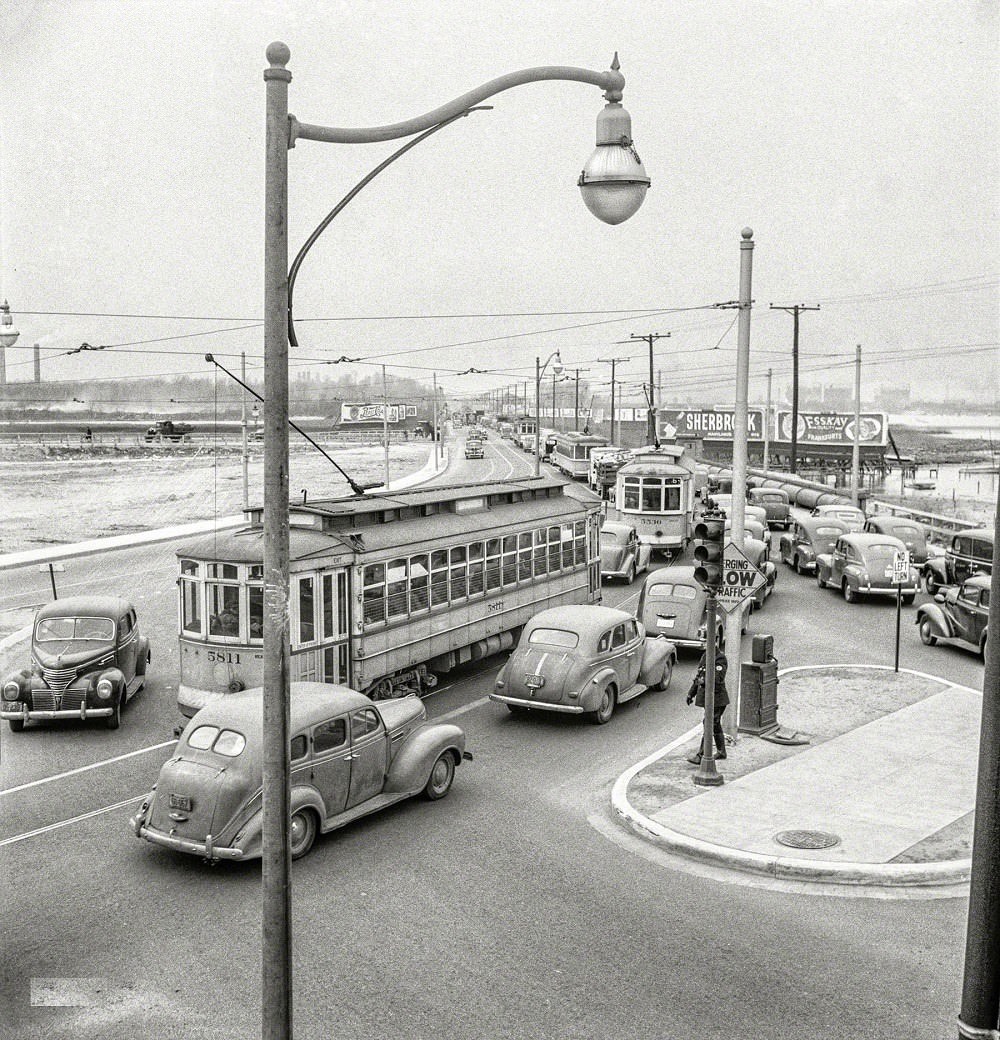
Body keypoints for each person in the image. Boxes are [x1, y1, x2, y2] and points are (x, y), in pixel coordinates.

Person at [686, 644, 729, 764]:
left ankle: (701, 755)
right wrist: (691, 693)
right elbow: (698, 675)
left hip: (717, 698)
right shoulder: (705, 656)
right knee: (714, 724)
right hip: (708, 698)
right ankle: (721, 752)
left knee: (709, 724)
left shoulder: (720, 659)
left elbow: (718, 678)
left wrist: (704, 681)